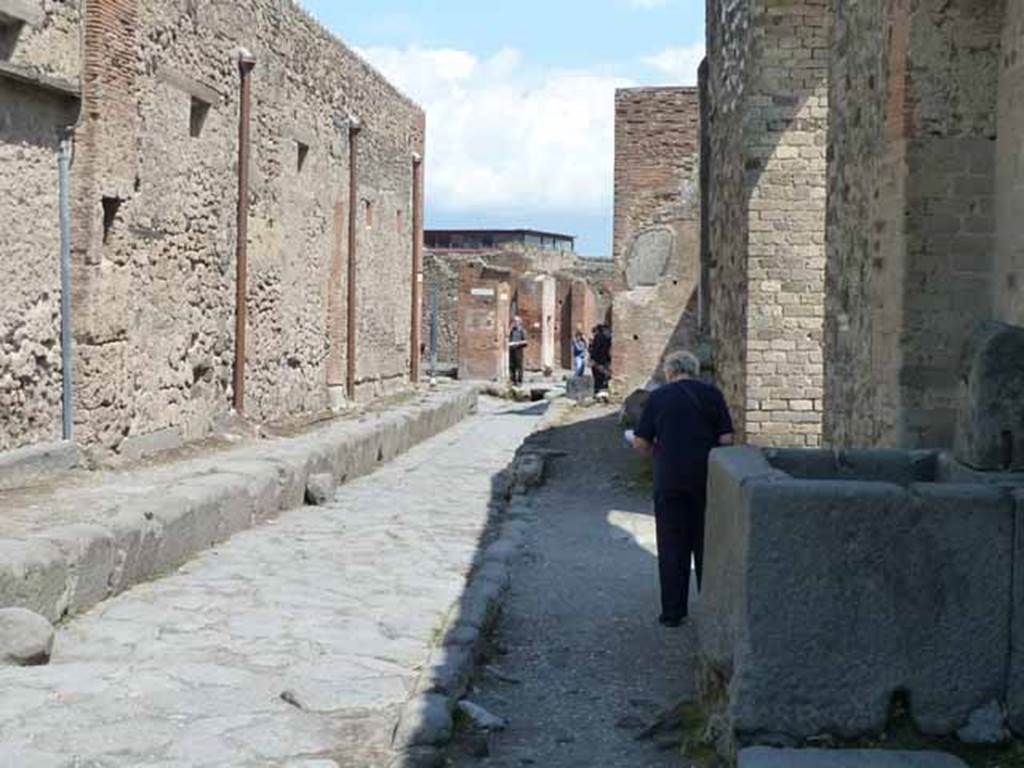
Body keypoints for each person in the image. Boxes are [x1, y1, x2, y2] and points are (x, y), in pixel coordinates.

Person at [628, 350, 734, 627]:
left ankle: (673, 613)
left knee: (671, 545)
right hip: (707, 479)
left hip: (669, 479)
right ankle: (711, 610)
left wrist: (659, 455)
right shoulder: (712, 395)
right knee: (707, 544)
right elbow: (726, 439)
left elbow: (640, 442)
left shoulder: (658, 397)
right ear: (694, 370)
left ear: (670, 371)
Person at [589, 324, 612, 392]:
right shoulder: (607, 338)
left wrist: (592, 358)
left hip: (598, 360)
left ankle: (598, 389)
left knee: (598, 375)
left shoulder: (599, 337)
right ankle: (601, 388)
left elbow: (596, 349)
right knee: (602, 375)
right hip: (604, 359)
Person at [508, 316, 528, 386]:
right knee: (512, 366)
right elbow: (508, 338)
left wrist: (516, 343)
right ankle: (513, 380)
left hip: (518, 350)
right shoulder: (512, 331)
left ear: (519, 322)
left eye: (516, 321)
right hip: (512, 350)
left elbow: (525, 341)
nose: (515, 323)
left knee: (519, 366)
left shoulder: (522, 331)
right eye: (514, 321)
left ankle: (520, 381)